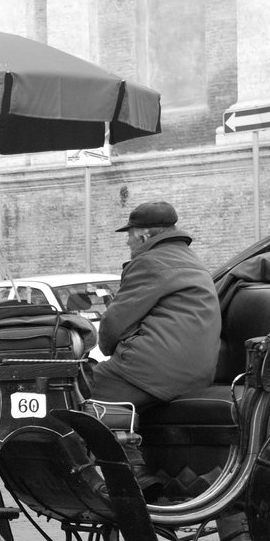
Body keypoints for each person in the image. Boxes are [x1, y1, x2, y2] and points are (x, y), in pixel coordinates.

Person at [89, 201, 221, 497]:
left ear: (145, 236)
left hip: (157, 367)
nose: (127, 242)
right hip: (199, 371)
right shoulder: (192, 260)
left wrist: (109, 348)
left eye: (130, 235)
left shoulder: (149, 262)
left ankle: (133, 474)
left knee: (91, 387)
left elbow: (113, 326)